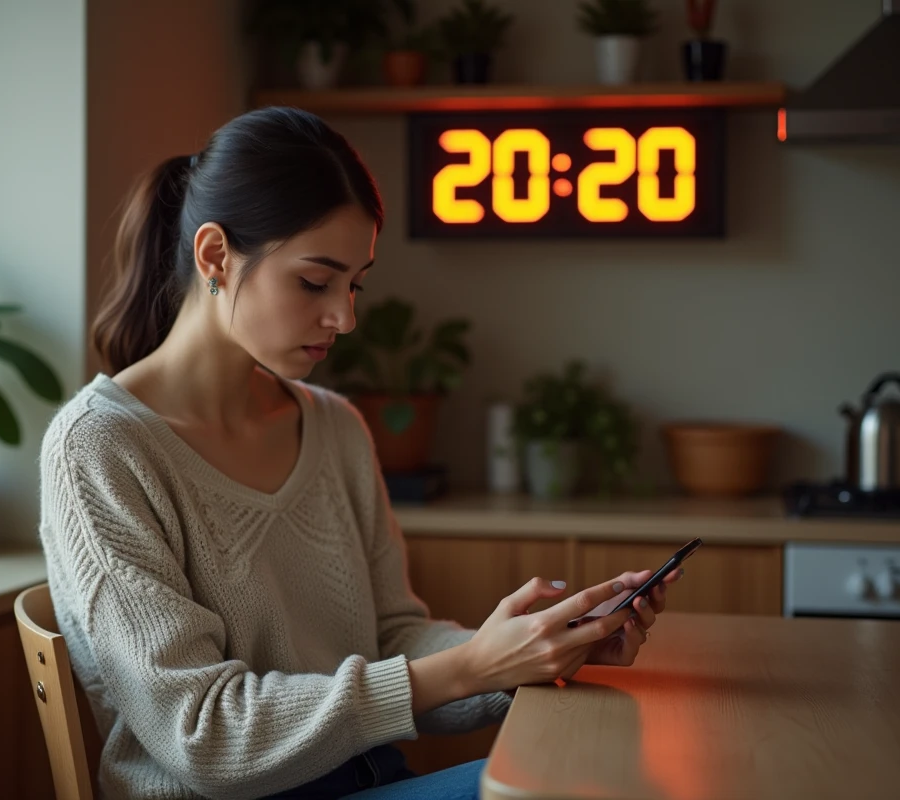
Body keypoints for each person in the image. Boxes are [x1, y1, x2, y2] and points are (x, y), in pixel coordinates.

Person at [38, 106, 678, 800]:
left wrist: (537, 654)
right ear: (215, 255)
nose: (344, 317)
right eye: (316, 282)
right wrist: (471, 668)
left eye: (355, 285)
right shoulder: (99, 447)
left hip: (369, 780)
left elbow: (393, 639)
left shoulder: (337, 428)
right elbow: (202, 734)